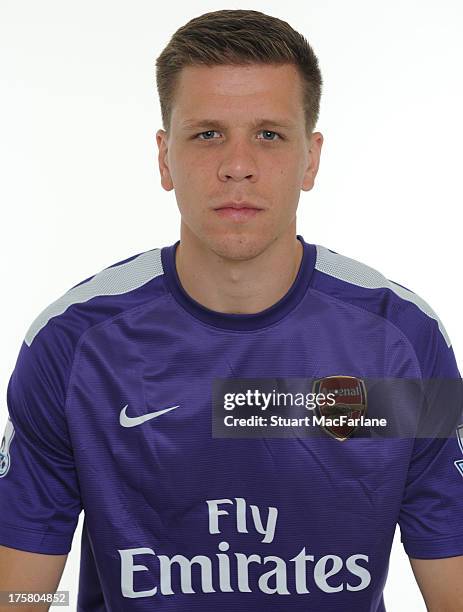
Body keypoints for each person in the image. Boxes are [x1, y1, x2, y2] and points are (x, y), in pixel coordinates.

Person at [0, 8, 462, 611]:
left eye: (268, 134)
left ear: (311, 158)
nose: (237, 166)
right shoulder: (76, 343)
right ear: (165, 158)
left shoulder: (398, 342)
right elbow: (22, 591)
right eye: (208, 133)